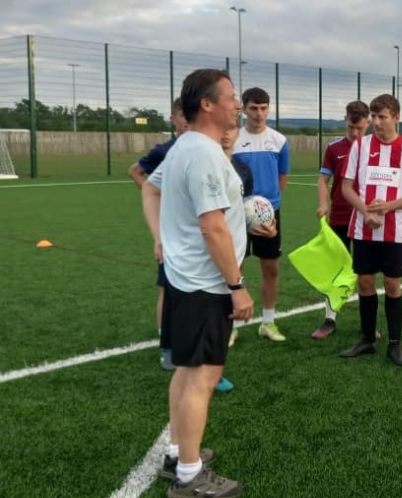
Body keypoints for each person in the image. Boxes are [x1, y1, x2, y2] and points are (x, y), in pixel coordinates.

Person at [142, 68, 251, 497]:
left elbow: (150, 191)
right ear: (207, 104)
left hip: (185, 279)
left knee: (187, 371)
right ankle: (189, 476)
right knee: (203, 376)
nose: (237, 104)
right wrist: (237, 284)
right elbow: (212, 228)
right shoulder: (203, 152)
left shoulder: (184, 146)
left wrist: (162, 239)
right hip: (206, 284)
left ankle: (177, 453)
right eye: (230, 96)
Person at [338, 93, 402, 367]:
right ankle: (367, 339)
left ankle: (395, 344)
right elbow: (345, 188)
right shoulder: (360, 146)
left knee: (391, 284)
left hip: (393, 231)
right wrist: (366, 213)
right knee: (365, 283)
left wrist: (387, 207)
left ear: (396, 118)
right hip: (363, 228)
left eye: (382, 117)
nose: (376, 122)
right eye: (373, 117)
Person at [128, 97, 187, 370]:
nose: (187, 119)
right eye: (182, 115)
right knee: (168, 286)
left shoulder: (204, 148)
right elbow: (136, 171)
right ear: (173, 118)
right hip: (169, 230)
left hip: (193, 231)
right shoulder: (165, 151)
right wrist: (157, 195)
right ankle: (166, 345)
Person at [232, 87, 290, 343]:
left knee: (271, 268)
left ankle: (268, 322)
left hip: (269, 215)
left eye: (263, 108)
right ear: (244, 109)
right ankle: (230, 325)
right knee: (235, 269)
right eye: (253, 108)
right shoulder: (232, 138)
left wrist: (266, 207)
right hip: (236, 213)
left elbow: (282, 177)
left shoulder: (279, 141)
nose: (259, 113)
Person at [312, 100, 371, 339]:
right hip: (339, 217)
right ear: (345, 121)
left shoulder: (375, 148)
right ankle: (329, 319)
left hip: (367, 220)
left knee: (366, 272)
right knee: (335, 270)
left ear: (368, 122)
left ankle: (367, 324)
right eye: (351, 128)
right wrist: (324, 203)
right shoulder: (334, 149)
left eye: (360, 128)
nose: (355, 133)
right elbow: (323, 180)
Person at [222, 127, 277, 348]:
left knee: (233, 276)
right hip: (210, 236)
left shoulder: (242, 169)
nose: (225, 133)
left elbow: (247, 206)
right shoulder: (205, 163)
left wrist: (261, 223)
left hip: (235, 235)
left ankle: (230, 328)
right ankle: (226, 329)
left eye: (231, 128)